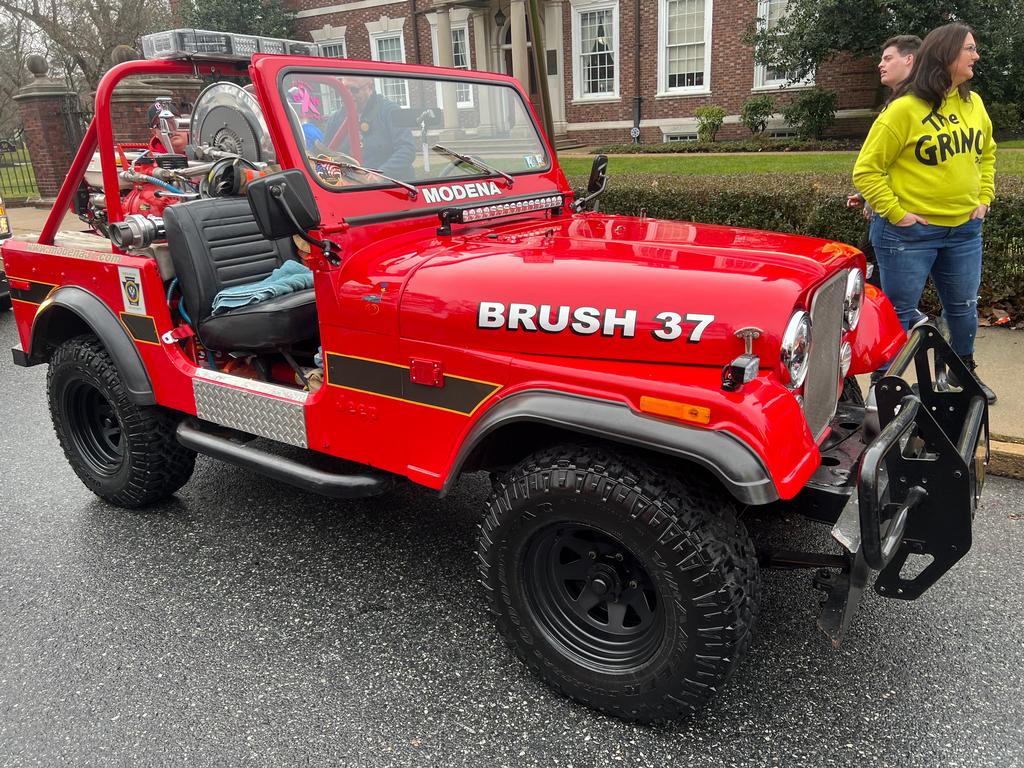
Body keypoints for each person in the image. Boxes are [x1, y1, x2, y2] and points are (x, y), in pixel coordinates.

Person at [853, 22, 997, 404]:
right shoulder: (903, 110)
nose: (976, 55)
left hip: (964, 230)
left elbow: (987, 154)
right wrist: (896, 213)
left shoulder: (974, 104)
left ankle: (959, 376)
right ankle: (884, 389)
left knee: (963, 307)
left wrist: (984, 197)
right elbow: (867, 170)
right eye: (969, 48)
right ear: (947, 55)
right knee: (898, 312)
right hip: (908, 235)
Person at [847, 35, 922, 288]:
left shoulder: (912, 107)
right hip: (890, 214)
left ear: (909, 59)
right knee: (866, 276)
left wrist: (897, 215)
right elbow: (899, 162)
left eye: (888, 58)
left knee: (876, 289)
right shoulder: (898, 104)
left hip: (898, 220)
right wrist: (867, 197)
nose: (881, 64)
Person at [323, 76, 415, 180]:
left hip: (392, 185)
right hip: (350, 185)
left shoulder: (391, 111)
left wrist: (379, 175)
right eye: (344, 89)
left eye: (354, 90)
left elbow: (407, 149)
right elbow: (325, 156)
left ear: (370, 87)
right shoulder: (335, 120)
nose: (348, 95)